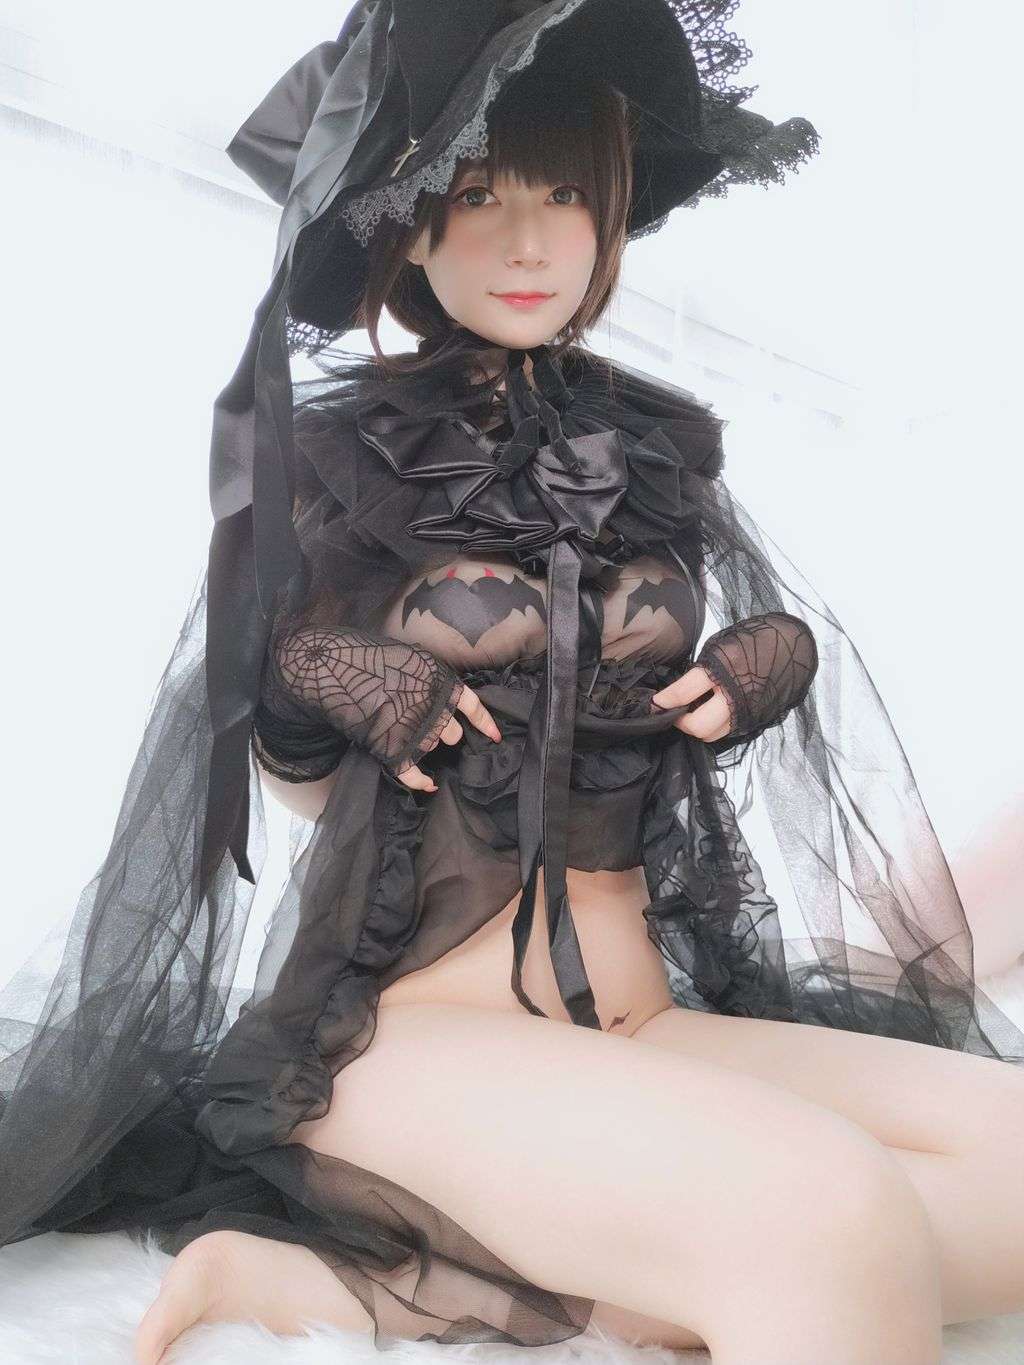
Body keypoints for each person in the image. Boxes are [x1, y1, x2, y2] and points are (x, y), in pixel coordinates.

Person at [2, 4, 1023, 1364]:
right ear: (410, 226)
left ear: (610, 216)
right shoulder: (341, 457)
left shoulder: (656, 449)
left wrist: (766, 659)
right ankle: (510, 1261)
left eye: (565, 197)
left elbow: (690, 682)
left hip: (639, 1013)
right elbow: (282, 773)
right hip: (406, 1032)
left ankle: (444, 1286)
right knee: (830, 1210)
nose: (530, 242)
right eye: (480, 196)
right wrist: (322, 673)